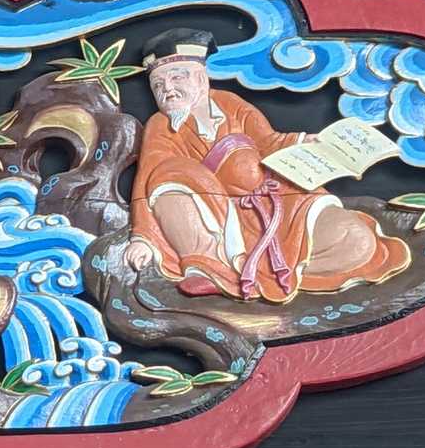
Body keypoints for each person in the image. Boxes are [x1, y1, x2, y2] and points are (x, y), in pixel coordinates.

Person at [124, 28, 410, 302]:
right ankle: (211, 268)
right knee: (171, 172)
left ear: (201, 78)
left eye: (176, 78)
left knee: (356, 241)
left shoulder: (230, 103)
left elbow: (267, 141)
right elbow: (147, 181)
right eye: (157, 85)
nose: (168, 89)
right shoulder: (160, 125)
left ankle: (265, 271)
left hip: (273, 203)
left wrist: (305, 141)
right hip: (218, 222)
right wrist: (142, 238)